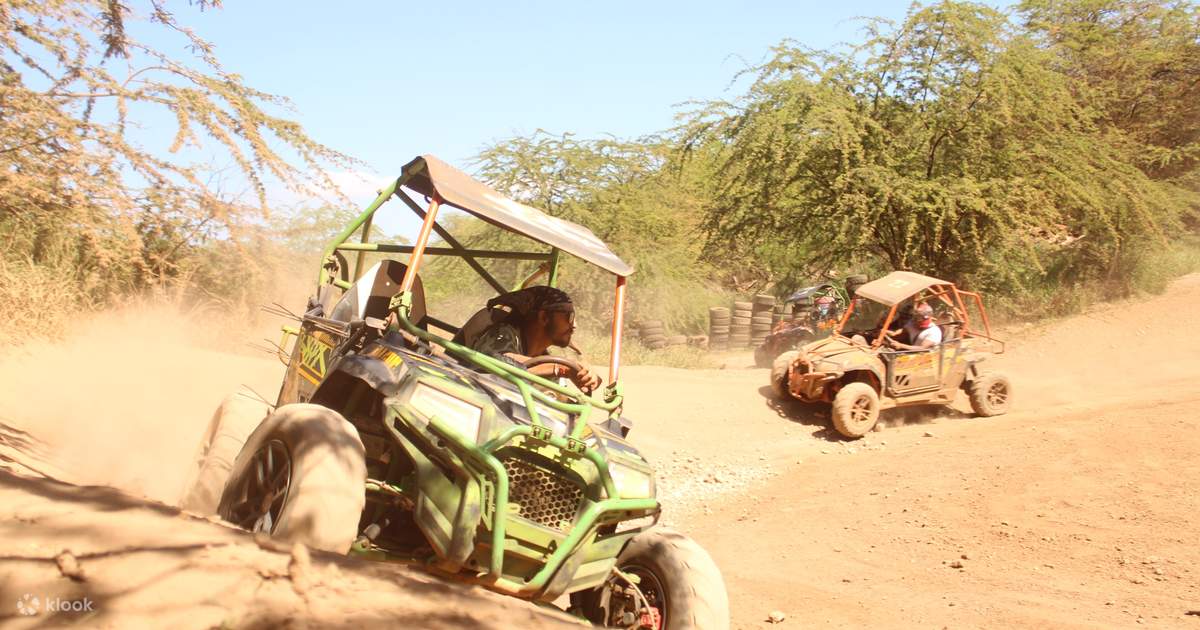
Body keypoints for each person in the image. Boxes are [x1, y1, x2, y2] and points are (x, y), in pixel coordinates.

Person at [469, 286, 601, 392]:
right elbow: (500, 359)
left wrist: (586, 376)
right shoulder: (503, 333)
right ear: (544, 317)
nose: (574, 325)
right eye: (569, 317)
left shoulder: (545, 358)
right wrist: (561, 368)